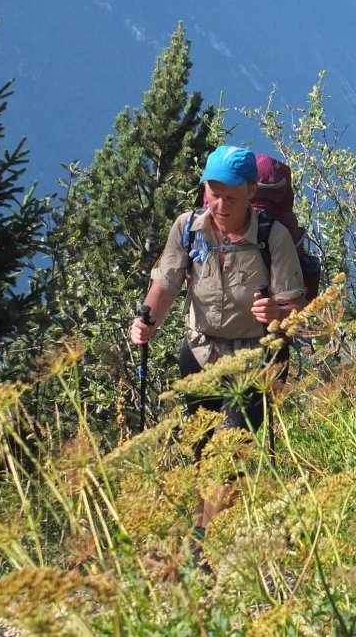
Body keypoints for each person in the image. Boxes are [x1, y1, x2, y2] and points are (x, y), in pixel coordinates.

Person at [129, 144, 305, 562]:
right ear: (205, 189)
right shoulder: (188, 229)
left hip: (255, 358)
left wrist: (278, 312)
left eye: (231, 196)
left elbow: (296, 308)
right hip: (200, 350)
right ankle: (205, 532)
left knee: (230, 451)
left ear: (249, 192)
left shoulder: (271, 237)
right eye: (214, 194)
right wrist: (146, 321)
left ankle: (203, 549)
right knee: (199, 447)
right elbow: (167, 283)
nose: (221, 205)